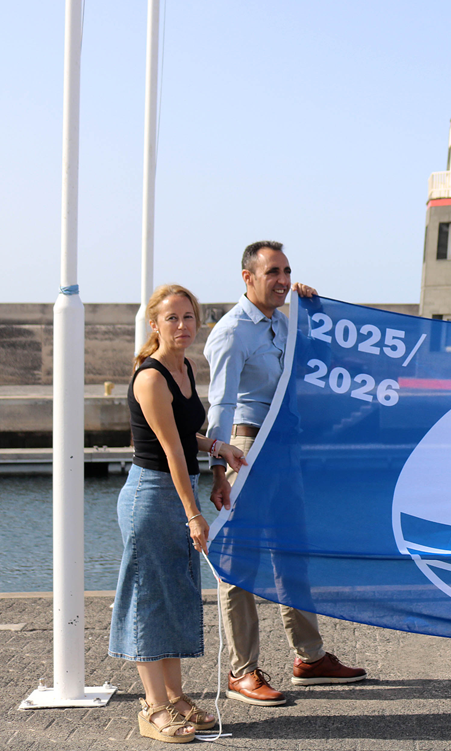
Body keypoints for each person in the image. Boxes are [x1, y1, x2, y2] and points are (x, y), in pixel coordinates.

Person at [205, 240, 366, 706]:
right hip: (248, 446)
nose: (281, 279)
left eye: (286, 270)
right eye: (272, 271)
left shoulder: (285, 322)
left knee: (292, 553)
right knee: (241, 560)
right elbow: (221, 403)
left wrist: (311, 313)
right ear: (247, 277)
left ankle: (310, 658)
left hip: (286, 446)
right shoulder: (232, 332)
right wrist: (219, 468)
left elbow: (322, 365)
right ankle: (243, 671)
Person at [110, 284, 246, 743]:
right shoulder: (150, 377)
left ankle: (176, 698)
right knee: (151, 597)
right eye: (173, 318)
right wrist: (193, 514)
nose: (184, 326)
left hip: (174, 494)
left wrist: (216, 445)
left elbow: (186, 436)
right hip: (151, 496)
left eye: (190, 317)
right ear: (154, 324)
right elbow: (169, 451)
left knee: (175, 596)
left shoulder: (185, 367)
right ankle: (153, 708)